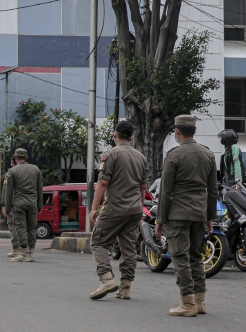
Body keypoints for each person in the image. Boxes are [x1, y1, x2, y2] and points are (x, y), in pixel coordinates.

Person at [156, 115, 218, 317]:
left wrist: (160, 220)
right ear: (194, 131)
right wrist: (210, 216)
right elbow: (213, 190)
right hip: (199, 213)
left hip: (178, 214)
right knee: (196, 257)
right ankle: (200, 301)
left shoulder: (173, 155)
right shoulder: (208, 154)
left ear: (177, 131)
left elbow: (165, 191)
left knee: (180, 257)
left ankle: (187, 303)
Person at [89, 120, 148, 300]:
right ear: (131, 137)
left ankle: (107, 279)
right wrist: (138, 205)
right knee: (129, 248)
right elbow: (143, 187)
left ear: (115, 134)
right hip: (135, 208)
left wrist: (94, 208)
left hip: (115, 207)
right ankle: (125, 288)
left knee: (98, 242)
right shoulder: (141, 157)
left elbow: (103, 182)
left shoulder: (110, 154)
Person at [3, 148, 43, 262]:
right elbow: (40, 189)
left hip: (19, 204)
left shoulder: (13, 171)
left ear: (15, 158)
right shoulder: (36, 169)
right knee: (31, 228)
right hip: (32, 203)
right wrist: (40, 205)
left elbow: (9, 192)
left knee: (21, 228)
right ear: (26, 157)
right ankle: (31, 253)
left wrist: (7, 207)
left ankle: (23, 253)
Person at [1, 157, 20, 258]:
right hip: (24, 204)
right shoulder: (26, 173)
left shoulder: (10, 174)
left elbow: (6, 191)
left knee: (12, 225)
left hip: (13, 205)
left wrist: (4, 205)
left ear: (12, 162)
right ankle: (26, 249)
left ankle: (16, 249)